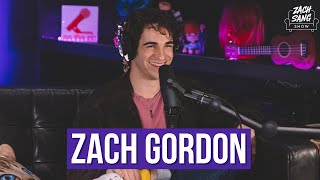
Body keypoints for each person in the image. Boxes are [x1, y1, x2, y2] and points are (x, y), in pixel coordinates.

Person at [68, 7, 257, 180]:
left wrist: (242, 127)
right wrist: (111, 168)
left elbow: (242, 111)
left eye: (168, 45)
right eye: (151, 46)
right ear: (131, 49)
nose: (162, 56)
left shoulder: (189, 91)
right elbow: (77, 172)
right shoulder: (101, 103)